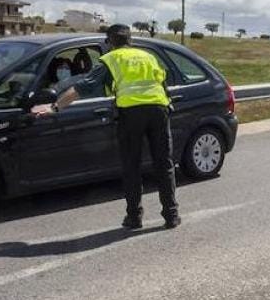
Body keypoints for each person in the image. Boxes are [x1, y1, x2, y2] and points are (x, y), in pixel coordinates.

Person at [33, 25, 179, 230]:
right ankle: (171, 215)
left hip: (131, 113)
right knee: (164, 164)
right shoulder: (148, 56)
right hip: (159, 111)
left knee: (132, 166)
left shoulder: (111, 59)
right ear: (131, 40)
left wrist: (55, 107)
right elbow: (162, 83)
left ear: (109, 42)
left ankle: (134, 217)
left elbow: (82, 87)